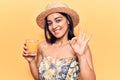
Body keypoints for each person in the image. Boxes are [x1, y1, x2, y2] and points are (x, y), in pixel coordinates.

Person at [23, 2, 96, 80]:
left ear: (68, 20)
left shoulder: (79, 46)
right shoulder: (42, 46)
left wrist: (81, 56)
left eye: (58, 20)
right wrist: (31, 61)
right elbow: (39, 78)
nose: (54, 26)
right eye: (49, 23)